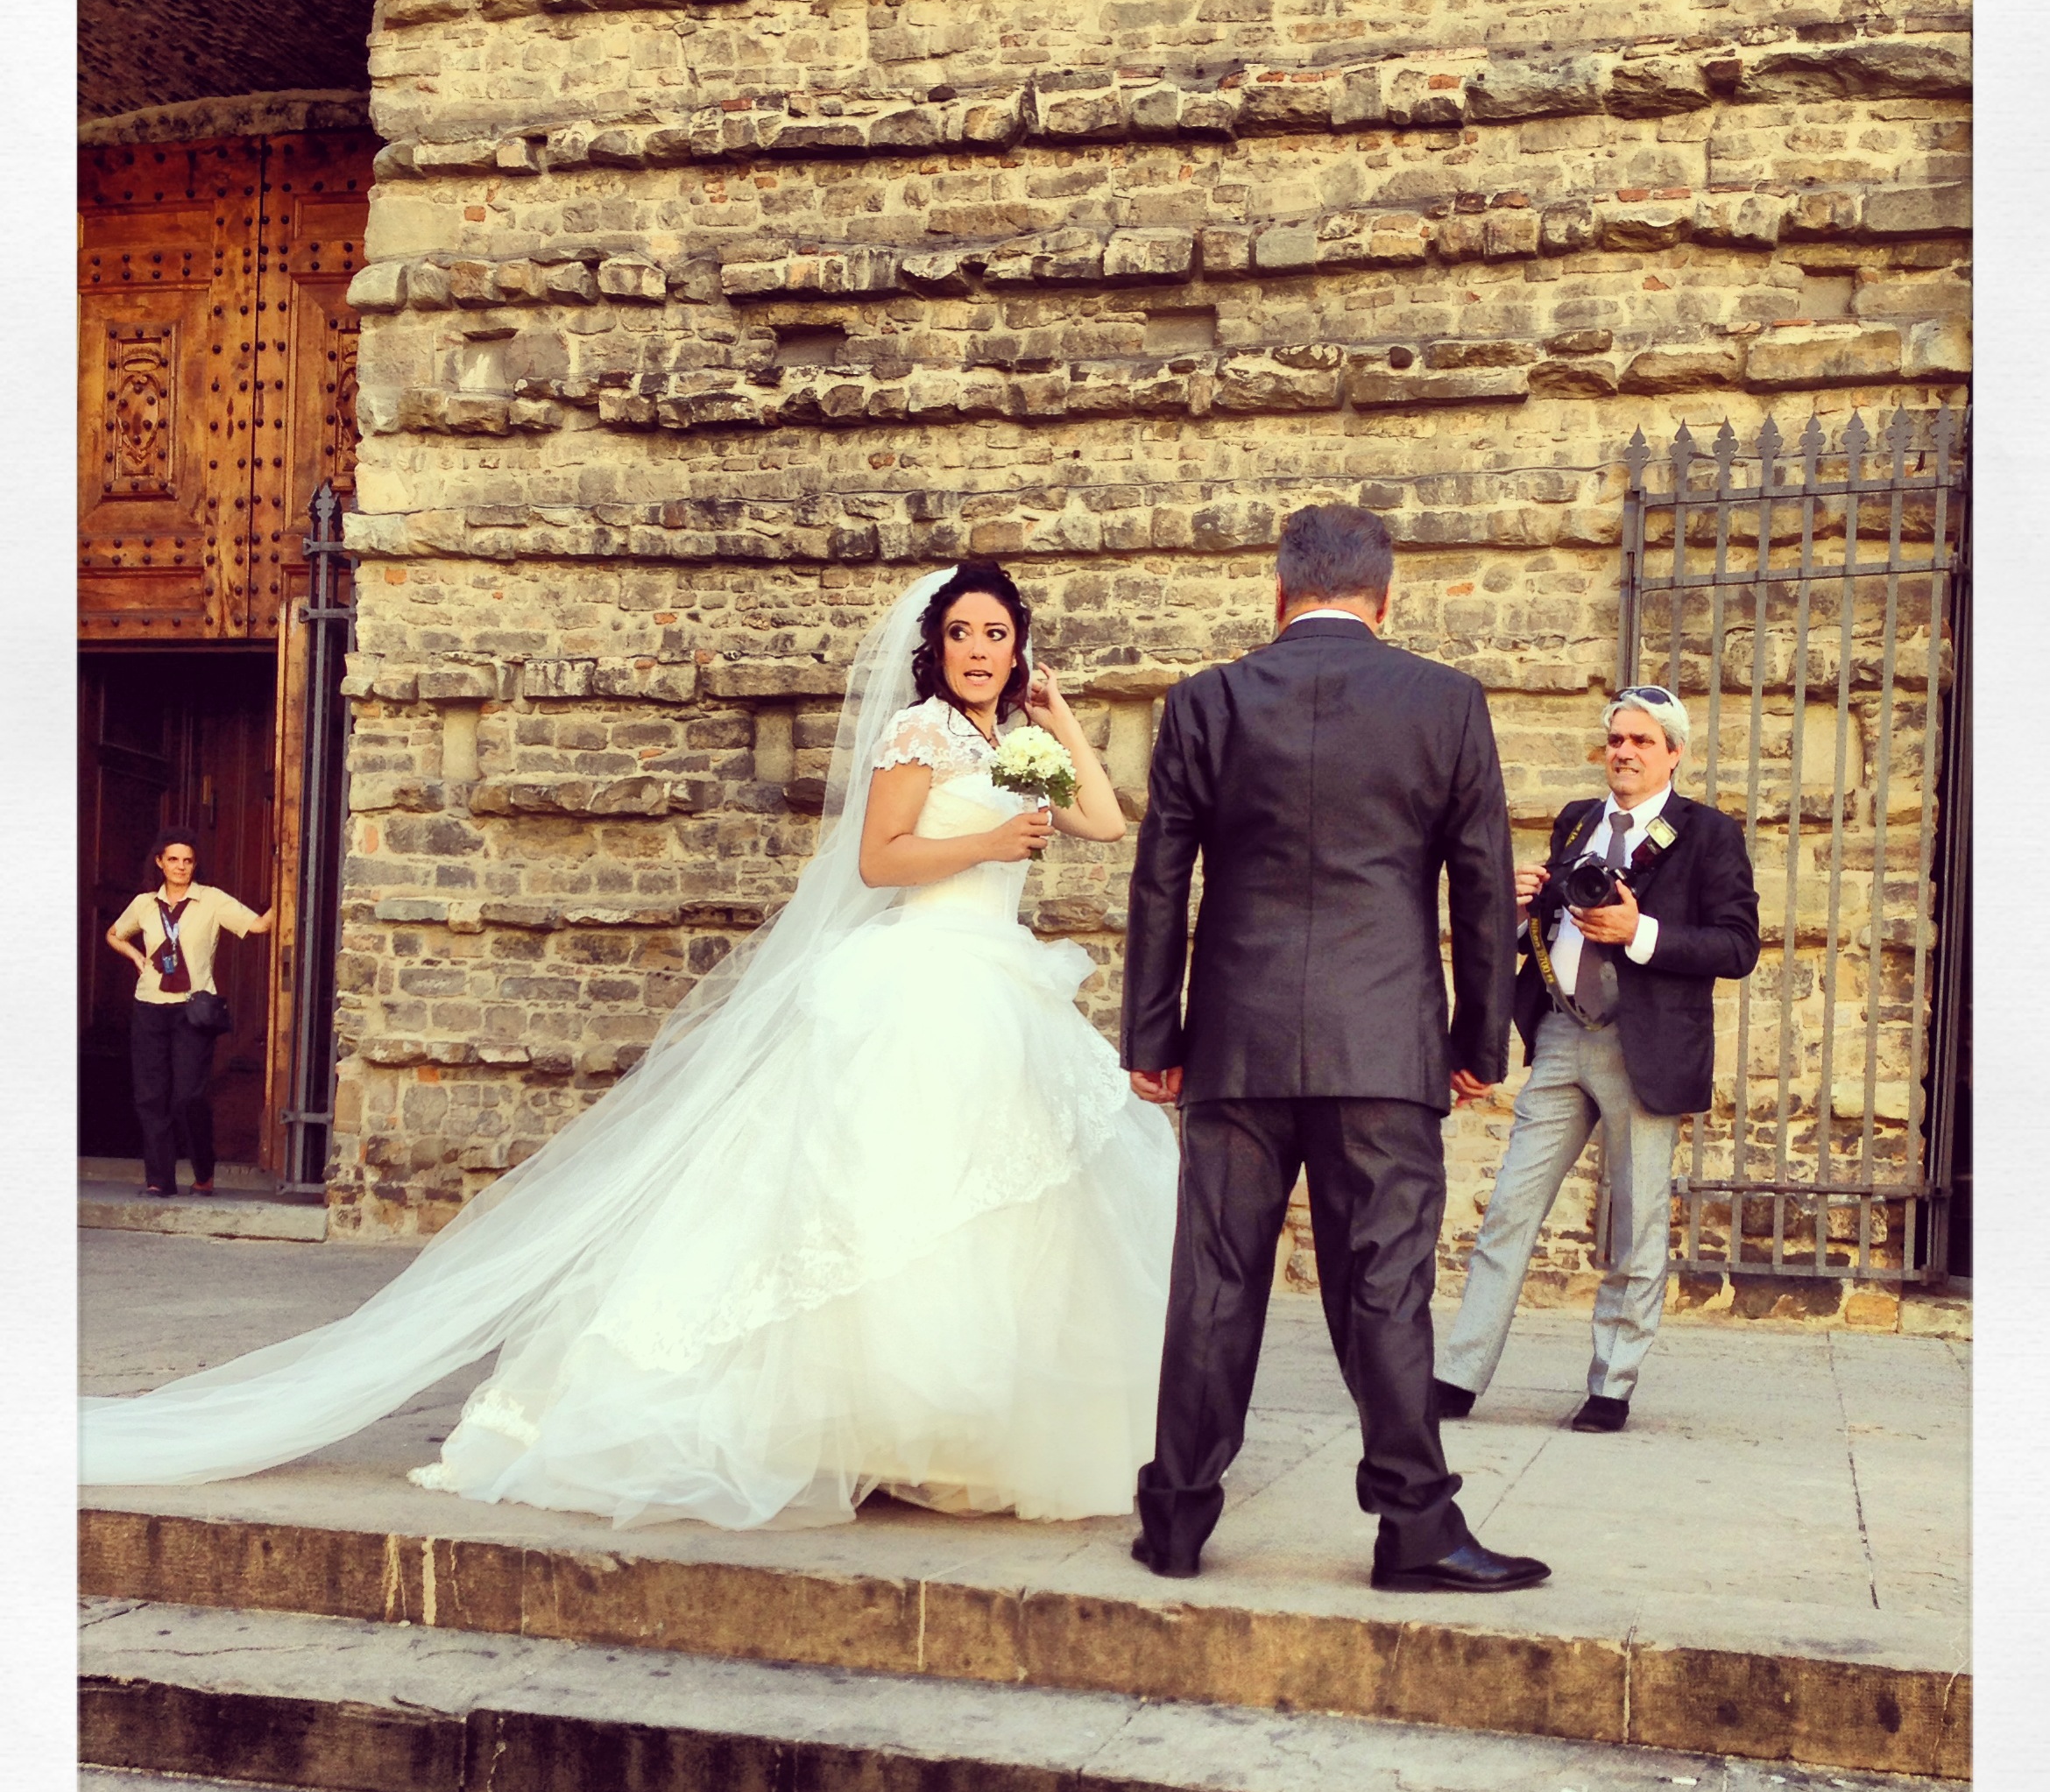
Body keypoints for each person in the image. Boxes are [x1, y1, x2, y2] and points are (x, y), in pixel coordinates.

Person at [82, 564, 1178, 1531]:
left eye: (998, 635)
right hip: (922, 981)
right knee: (885, 1201)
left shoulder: (1011, 742)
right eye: (963, 634)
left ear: (1018, 649)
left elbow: (1101, 822)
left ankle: (950, 1440)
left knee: (988, 1207)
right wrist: (988, 839)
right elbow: (879, 863)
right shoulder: (921, 735)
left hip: (1001, 986)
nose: (980, 651)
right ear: (935, 648)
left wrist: (1059, 717)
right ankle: (858, 1428)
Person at [1121, 502, 1551, 1595]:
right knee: (1386, 1289)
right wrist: (1477, 1040)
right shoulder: (1445, 702)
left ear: (1278, 593)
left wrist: (1154, 1035)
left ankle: (1175, 1523)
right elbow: (1483, 885)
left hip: (1237, 1044)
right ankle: (1415, 1530)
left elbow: (1161, 879)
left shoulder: (1206, 701)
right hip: (1383, 1046)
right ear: (1385, 599)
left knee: (1216, 1281)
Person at [1431, 686, 1761, 1435]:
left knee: (1637, 1226)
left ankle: (1611, 1386)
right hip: (1560, 1035)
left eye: (1642, 741)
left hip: (1642, 1049)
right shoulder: (1579, 820)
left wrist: (1640, 931)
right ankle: (1458, 1376)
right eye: (1616, 740)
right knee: (1509, 1211)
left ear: (1674, 754)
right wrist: (1521, 910)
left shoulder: (1708, 834)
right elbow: (1551, 927)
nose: (1625, 752)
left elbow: (1738, 946)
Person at [104, 828, 273, 1198]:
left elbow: (260, 925)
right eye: (173, 860)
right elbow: (114, 934)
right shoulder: (144, 904)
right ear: (160, 863)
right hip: (149, 1007)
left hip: (194, 1010)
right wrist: (135, 956)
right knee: (151, 1096)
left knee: (188, 1097)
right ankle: (159, 1180)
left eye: (188, 860)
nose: (180, 867)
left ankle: (203, 1172)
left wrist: (291, 891)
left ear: (195, 865)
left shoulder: (211, 900)